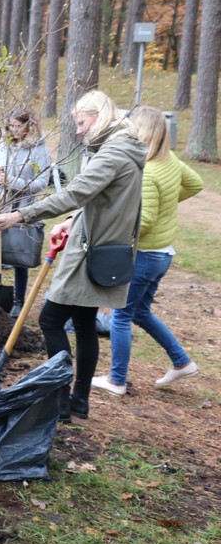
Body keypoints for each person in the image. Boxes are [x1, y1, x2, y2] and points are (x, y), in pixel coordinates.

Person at [0, 90, 144, 422]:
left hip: (90, 251)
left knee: (51, 320)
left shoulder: (113, 153)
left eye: (82, 123)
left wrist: (20, 214)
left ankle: (59, 400)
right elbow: (101, 200)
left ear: (99, 117)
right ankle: (78, 401)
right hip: (99, 245)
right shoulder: (122, 149)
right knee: (84, 324)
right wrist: (72, 221)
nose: (80, 131)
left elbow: (76, 193)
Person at [91, 107, 202, 397]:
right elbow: (195, 183)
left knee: (121, 315)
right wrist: (169, 202)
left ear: (141, 133)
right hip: (162, 255)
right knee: (140, 312)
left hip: (146, 255)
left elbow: (146, 220)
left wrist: (114, 230)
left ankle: (116, 380)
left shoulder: (148, 170)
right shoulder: (170, 160)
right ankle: (182, 362)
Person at [0, 108, 52, 318]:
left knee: (19, 255)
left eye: (18, 125)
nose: (13, 130)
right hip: (1, 205)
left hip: (23, 209)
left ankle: (19, 300)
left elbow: (41, 183)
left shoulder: (39, 149)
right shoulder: (4, 144)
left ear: (29, 126)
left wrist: (13, 181)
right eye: (10, 125)